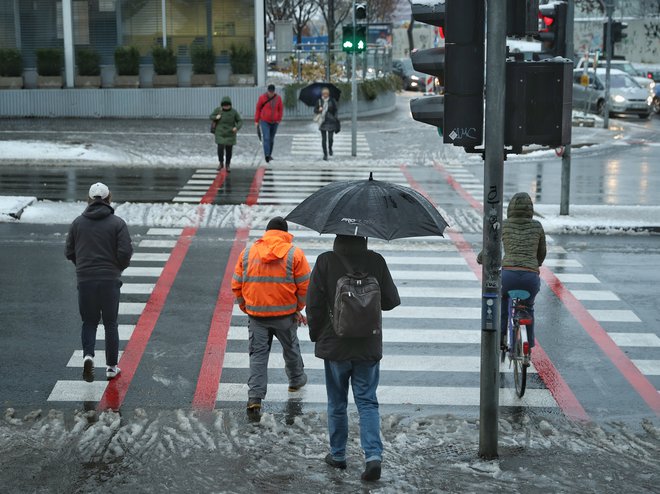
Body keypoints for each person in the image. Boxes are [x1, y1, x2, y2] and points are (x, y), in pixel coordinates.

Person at [306, 234, 401, 482]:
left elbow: (313, 304)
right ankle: (373, 457)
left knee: (337, 401)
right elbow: (391, 301)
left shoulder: (325, 261)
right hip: (368, 345)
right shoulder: (376, 261)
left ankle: (337, 455)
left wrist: (317, 335)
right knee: (367, 401)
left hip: (336, 345)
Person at [231, 217, 311, 414]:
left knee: (258, 356)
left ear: (267, 232)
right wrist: (297, 307)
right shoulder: (295, 254)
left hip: (256, 315)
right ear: (285, 234)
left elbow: (236, 284)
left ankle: (255, 398)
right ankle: (295, 381)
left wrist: (245, 307)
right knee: (290, 348)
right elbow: (305, 287)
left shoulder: (248, 252)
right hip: (285, 315)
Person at [65, 183, 133, 382]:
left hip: (86, 280)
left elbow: (69, 251)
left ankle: (88, 356)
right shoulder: (117, 223)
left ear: (89, 199)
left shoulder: (78, 223)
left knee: (89, 322)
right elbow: (125, 252)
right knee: (110, 323)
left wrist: (83, 266)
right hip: (109, 280)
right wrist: (117, 268)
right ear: (108, 198)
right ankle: (112, 367)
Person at [477, 192, 546, 351]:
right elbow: (541, 253)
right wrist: (536, 265)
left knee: (504, 302)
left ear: (510, 208)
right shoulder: (537, 226)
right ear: (530, 208)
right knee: (528, 308)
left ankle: (501, 340)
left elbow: (491, 246)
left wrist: (481, 258)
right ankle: (528, 347)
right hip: (530, 276)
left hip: (508, 276)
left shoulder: (504, 224)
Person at [210, 96, 243, 172]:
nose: (226, 107)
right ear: (222, 105)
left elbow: (240, 121)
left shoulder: (234, 112)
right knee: (220, 147)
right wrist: (216, 117)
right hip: (220, 132)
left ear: (230, 105)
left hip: (230, 133)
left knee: (229, 149)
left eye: (228, 105)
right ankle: (221, 163)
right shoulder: (218, 110)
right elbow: (211, 116)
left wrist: (236, 127)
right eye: (224, 105)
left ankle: (227, 164)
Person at [254, 84, 283, 163]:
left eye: (272, 92)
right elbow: (258, 109)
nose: (271, 93)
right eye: (270, 92)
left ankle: (269, 154)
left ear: (274, 91)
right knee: (266, 138)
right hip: (265, 121)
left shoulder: (278, 98)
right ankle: (266, 155)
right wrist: (256, 120)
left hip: (275, 122)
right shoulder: (262, 98)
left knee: (271, 139)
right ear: (268, 91)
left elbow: (280, 109)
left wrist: (279, 119)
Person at [314, 87, 340, 161]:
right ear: (322, 94)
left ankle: (330, 148)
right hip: (323, 122)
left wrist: (335, 117)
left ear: (328, 94)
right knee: (324, 139)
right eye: (324, 94)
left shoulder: (332, 100)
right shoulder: (319, 101)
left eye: (326, 94)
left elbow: (335, 110)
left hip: (331, 121)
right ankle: (325, 154)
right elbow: (315, 110)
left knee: (330, 138)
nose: (325, 95)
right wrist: (319, 110)